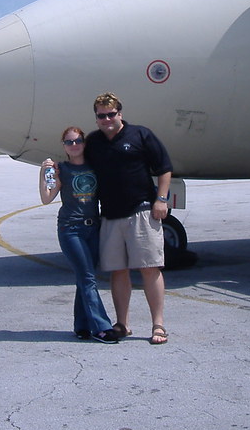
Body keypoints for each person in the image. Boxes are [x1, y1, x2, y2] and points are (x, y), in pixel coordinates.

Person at [85, 92, 173, 345]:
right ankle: (122, 324)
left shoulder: (140, 135)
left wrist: (161, 199)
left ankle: (158, 324)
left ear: (120, 114)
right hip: (110, 215)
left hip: (141, 211)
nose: (107, 119)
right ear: (96, 118)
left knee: (149, 267)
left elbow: (164, 168)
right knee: (118, 270)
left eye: (111, 114)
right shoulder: (94, 142)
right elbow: (81, 166)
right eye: (101, 116)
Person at [40, 126, 119, 344]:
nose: (74, 145)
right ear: (64, 146)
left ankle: (82, 325)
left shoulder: (94, 167)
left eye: (77, 141)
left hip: (93, 228)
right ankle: (102, 327)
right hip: (71, 228)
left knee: (85, 277)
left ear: (84, 143)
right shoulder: (61, 169)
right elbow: (46, 198)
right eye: (69, 142)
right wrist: (43, 174)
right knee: (87, 277)